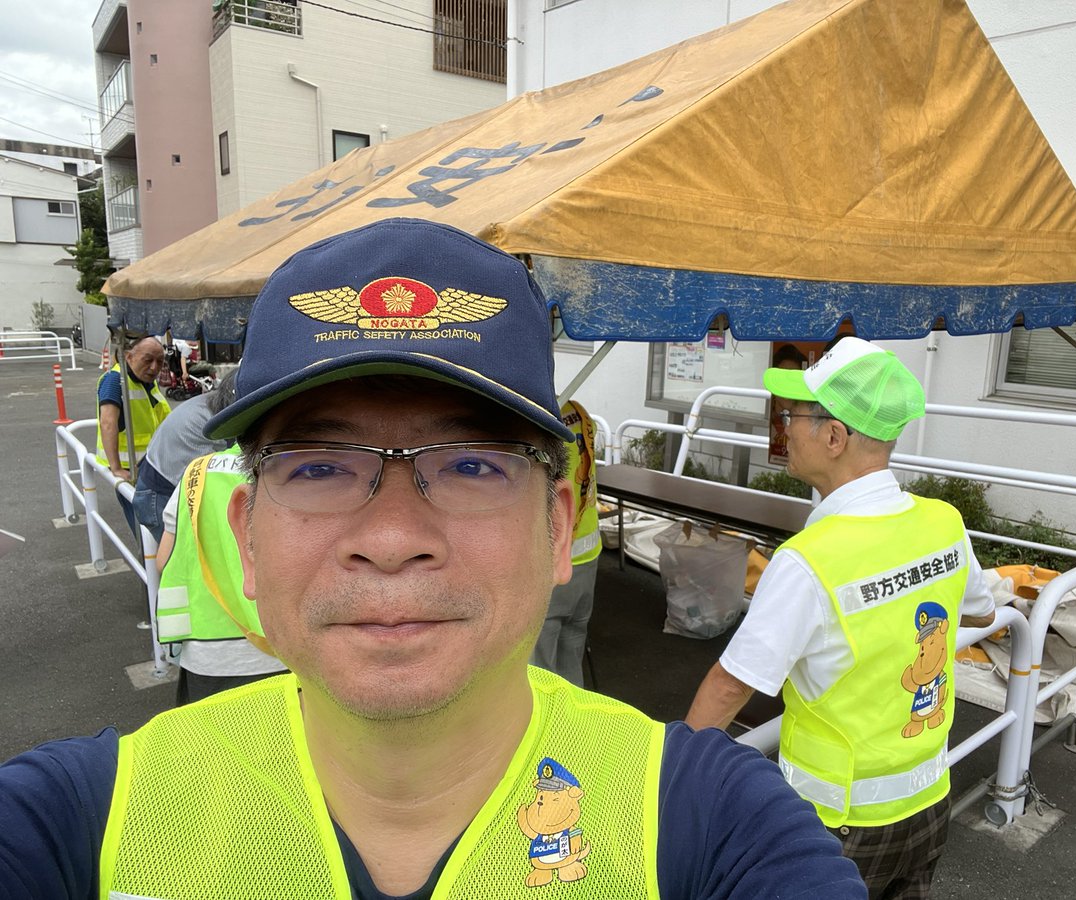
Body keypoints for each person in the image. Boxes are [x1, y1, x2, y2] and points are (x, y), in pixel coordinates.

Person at [0, 218, 866, 899]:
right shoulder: (86, 820)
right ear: (247, 535)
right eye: (319, 467)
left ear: (557, 528)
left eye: (473, 465)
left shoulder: (703, 822)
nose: (390, 537)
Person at [686, 336, 996, 899]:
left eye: (794, 416)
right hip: (929, 799)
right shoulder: (944, 523)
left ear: (834, 437)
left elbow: (731, 686)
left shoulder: (809, 560)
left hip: (834, 820)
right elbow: (982, 608)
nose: (785, 428)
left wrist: (682, 784)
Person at [155, 445, 288, 705]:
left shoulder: (197, 472)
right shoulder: (299, 467)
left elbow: (163, 560)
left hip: (206, 653)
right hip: (284, 650)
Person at [531, 398, 600, 686]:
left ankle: (550, 716)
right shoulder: (578, 412)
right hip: (588, 555)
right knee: (572, 646)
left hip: (554, 559)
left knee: (540, 666)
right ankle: (574, 711)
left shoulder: (539, 419)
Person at [132, 373, 237, 543]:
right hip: (160, 494)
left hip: (154, 480)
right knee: (181, 552)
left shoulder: (208, 403)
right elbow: (227, 477)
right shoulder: (216, 423)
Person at [94, 335, 170, 535]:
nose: (154, 367)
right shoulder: (114, 380)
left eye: (160, 362)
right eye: (148, 360)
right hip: (131, 469)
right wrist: (116, 468)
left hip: (150, 464)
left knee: (158, 523)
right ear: (128, 357)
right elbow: (108, 422)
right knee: (146, 527)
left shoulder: (147, 382)